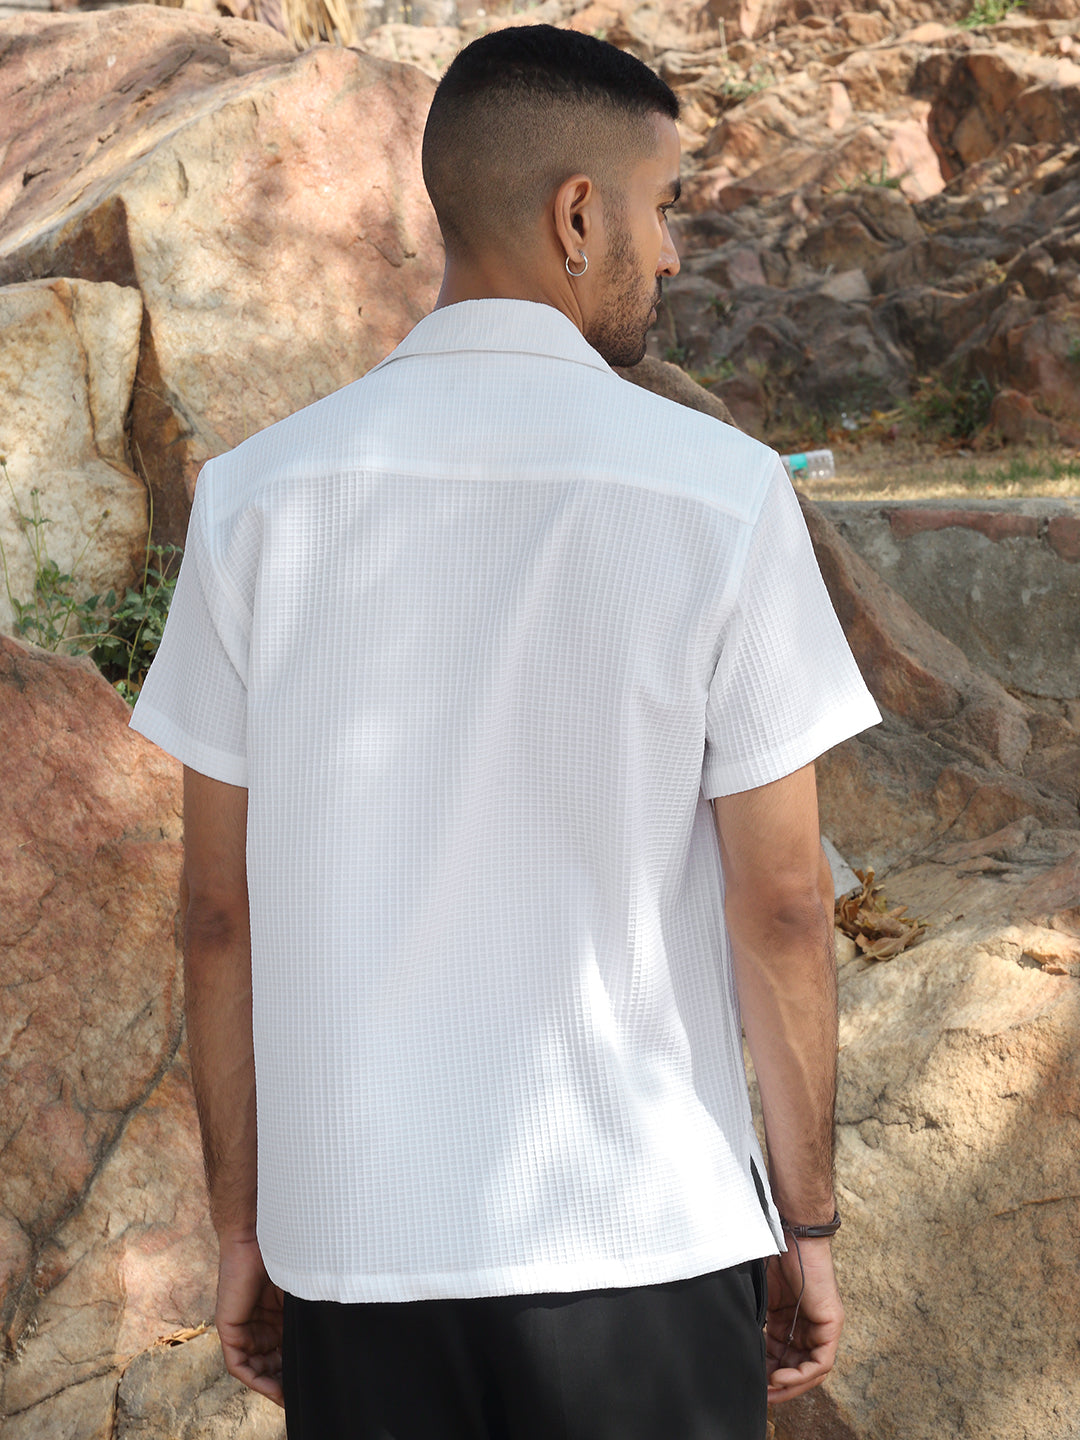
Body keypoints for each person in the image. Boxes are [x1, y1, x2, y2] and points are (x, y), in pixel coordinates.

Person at [130, 24, 880, 1439]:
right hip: (647, 1241)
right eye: (661, 208)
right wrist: (809, 1217)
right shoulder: (720, 495)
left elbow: (218, 915)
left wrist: (243, 1229)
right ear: (577, 215)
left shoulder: (254, 501)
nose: (671, 254)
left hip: (356, 1250)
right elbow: (782, 903)